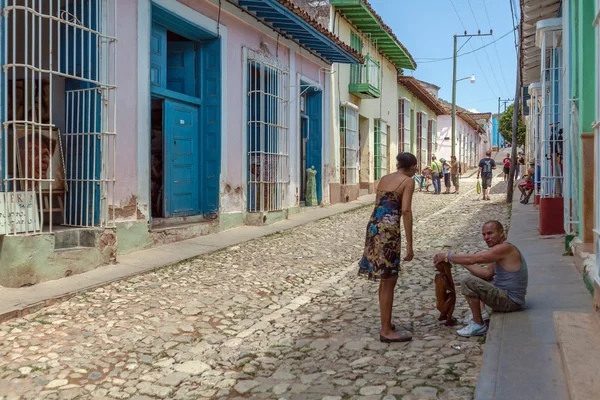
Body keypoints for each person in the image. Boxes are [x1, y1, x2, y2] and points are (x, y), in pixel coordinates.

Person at [358, 152, 417, 343]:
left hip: (374, 227)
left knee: (385, 279)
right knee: (389, 279)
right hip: (389, 232)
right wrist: (409, 243)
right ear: (413, 167)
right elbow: (406, 210)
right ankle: (385, 330)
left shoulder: (384, 178)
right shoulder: (408, 182)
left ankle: (386, 322)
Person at [433, 221, 528, 337]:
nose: (486, 238)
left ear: (501, 233)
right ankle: (483, 313)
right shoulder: (500, 248)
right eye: (484, 234)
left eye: (490, 233)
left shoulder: (503, 249)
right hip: (508, 297)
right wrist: (462, 262)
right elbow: (487, 274)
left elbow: (475, 259)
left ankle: (478, 324)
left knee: (468, 281)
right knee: (478, 279)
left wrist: (448, 257)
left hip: (510, 302)